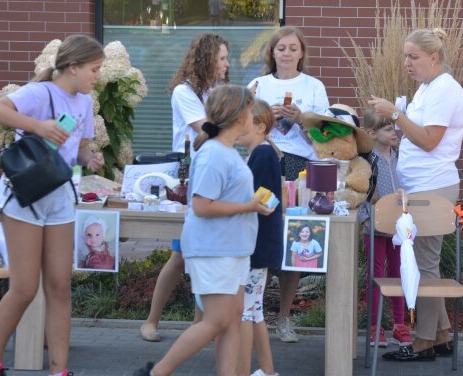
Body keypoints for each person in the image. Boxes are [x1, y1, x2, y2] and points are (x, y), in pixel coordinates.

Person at [0, 34, 105, 376]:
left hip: (60, 195)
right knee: (24, 287)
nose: (97, 76)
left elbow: (79, 148)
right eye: (94, 69)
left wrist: (90, 158)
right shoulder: (41, 92)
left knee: (60, 285)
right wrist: (39, 127)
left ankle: (59, 370)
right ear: (72, 66)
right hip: (26, 195)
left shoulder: (85, 103)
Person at [136, 85, 276, 376]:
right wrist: (249, 206)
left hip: (234, 249)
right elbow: (201, 205)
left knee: (232, 319)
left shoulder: (226, 152)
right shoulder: (214, 154)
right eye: (250, 110)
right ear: (239, 116)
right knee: (215, 321)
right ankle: (156, 372)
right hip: (215, 250)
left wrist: (249, 206)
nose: (253, 116)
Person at [369, 27, 463, 362]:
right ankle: (440, 335)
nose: (407, 63)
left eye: (413, 57)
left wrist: (396, 114)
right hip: (419, 184)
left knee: (424, 263)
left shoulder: (445, 89)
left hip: (433, 185)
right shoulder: (427, 87)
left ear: (433, 57)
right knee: (425, 261)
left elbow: (428, 140)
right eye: (405, 56)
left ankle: (424, 341)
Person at [140, 32, 230, 342]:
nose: (226, 64)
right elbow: (205, 129)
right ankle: (151, 320)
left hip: (215, 174)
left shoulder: (219, 90)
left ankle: (198, 327)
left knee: (206, 252)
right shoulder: (184, 91)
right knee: (181, 253)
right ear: (207, 60)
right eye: (221, 58)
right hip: (190, 175)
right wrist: (238, 112)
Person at [248, 25, 329, 343]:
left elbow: (324, 138)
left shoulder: (314, 86)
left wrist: (300, 119)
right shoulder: (258, 85)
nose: (286, 53)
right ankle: (254, 315)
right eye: (281, 47)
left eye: (293, 48)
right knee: (262, 238)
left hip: (300, 168)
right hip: (266, 161)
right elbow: (244, 128)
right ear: (272, 52)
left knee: (294, 242)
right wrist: (267, 124)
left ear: (302, 53)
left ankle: (284, 318)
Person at [236, 99, 284, 376]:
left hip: (255, 246)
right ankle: (267, 370)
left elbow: (262, 202)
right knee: (254, 311)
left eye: (243, 122)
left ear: (260, 126)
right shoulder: (260, 154)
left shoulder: (262, 155)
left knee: (245, 311)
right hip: (258, 245)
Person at [359, 107, 412, 348]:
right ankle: (375, 326)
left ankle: (400, 325)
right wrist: (364, 218)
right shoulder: (367, 160)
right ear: (372, 133)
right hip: (374, 225)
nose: (394, 132)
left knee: (399, 273)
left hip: (396, 227)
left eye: (394, 128)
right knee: (376, 274)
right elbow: (358, 192)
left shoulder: (399, 157)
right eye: (388, 128)